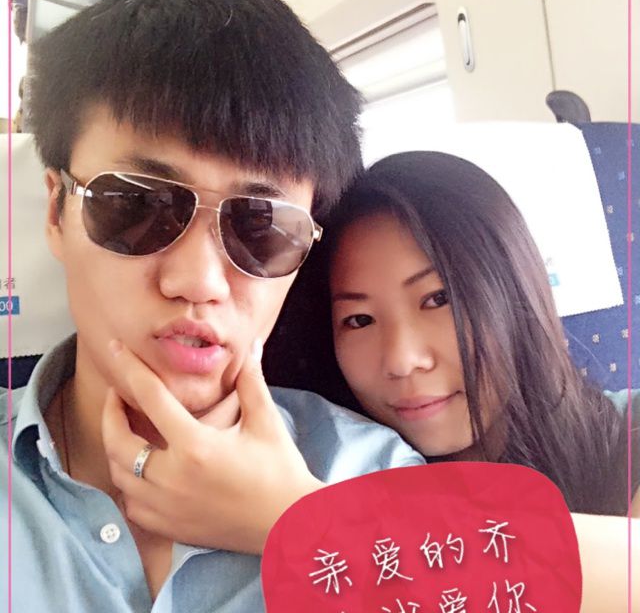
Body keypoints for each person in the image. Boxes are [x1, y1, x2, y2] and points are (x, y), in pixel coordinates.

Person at [0, 0, 425, 611]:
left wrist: (307, 528)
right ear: (57, 212)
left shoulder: (378, 479)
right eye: (138, 205)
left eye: (262, 227)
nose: (198, 282)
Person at [110, 152, 639, 612]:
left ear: (516, 289)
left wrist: (296, 520)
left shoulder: (628, 434)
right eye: (359, 320)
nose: (403, 361)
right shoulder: (334, 457)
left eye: (438, 299)